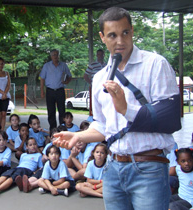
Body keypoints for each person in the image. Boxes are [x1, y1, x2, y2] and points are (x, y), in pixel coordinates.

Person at [54, 7, 178, 210]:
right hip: (113, 168)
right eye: (112, 35)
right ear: (102, 37)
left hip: (150, 167)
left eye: (125, 33)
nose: (120, 41)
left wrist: (126, 109)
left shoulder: (156, 64)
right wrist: (80, 136)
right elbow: (104, 125)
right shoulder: (100, 77)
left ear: (132, 31)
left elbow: (170, 119)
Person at [40, 49, 72, 130]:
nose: (55, 56)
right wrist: (42, 91)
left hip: (60, 90)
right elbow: (42, 79)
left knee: (62, 111)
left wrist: (66, 81)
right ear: (51, 56)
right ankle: (53, 130)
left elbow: (69, 76)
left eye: (57, 55)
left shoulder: (63, 65)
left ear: (59, 56)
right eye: (53, 55)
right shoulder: (46, 66)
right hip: (50, 91)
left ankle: (62, 129)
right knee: (51, 111)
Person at [84, 49, 106, 122]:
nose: (100, 56)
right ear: (96, 55)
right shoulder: (92, 65)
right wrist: (92, 83)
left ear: (104, 55)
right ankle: (95, 119)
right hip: (95, 88)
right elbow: (86, 76)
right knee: (95, 104)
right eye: (98, 54)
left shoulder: (106, 65)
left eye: (101, 54)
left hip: (105, 88)